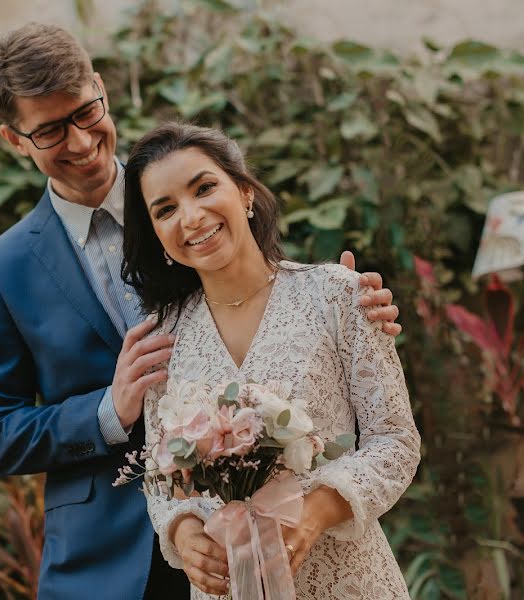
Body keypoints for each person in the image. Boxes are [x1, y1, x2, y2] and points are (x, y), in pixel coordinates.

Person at [0, 23, 403, 599]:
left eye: (84, 113)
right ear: (13, 138)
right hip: (105, 564)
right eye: (48, 131)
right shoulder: (4, 268)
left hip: (270, 544)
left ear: (100, 88)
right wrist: (107, 412)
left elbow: (267, 292)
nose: (78, 142)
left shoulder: (188, 193)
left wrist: (353, 299)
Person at [122, 122, 421, 599]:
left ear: (244, 193)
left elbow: (396, 442)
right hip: (228, 587)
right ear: (157, 235)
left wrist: (318, 511)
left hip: (348, 579)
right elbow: (161, 476)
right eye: (166, 209)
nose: (192, 216)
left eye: (204, 188)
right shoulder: (164, 337)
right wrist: (181, 531)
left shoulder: (338, 295)